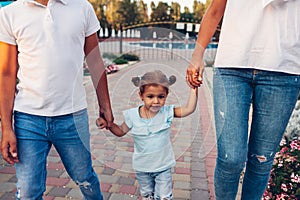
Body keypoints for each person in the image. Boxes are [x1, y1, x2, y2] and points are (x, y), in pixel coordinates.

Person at [186, 0, 300, 199]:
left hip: (284, 69)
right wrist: (197, 55)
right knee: (231, 159)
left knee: (261, 160)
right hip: (232, 65)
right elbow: (215, 9)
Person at [0, 0, 114, 199]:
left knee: (84, 177)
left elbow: (95, 61)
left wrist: (105, 105)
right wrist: (7, 128)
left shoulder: (82, 7)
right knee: (28, 192)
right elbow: (7, 73)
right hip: (28, 119)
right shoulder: (10, 13)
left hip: (73, 117)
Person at [96, 70, 198, 200]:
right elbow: (120, 131)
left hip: (163, 167)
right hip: (142, 168)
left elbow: (189, 109)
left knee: (164, 197)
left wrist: (194, 89)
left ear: (166, 95)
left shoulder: (167, 112)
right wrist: (108, 125)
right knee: (147, 195)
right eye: (150, 96)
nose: (156, 101)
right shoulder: (132, 115)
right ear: (141, 95)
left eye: (161, 97)